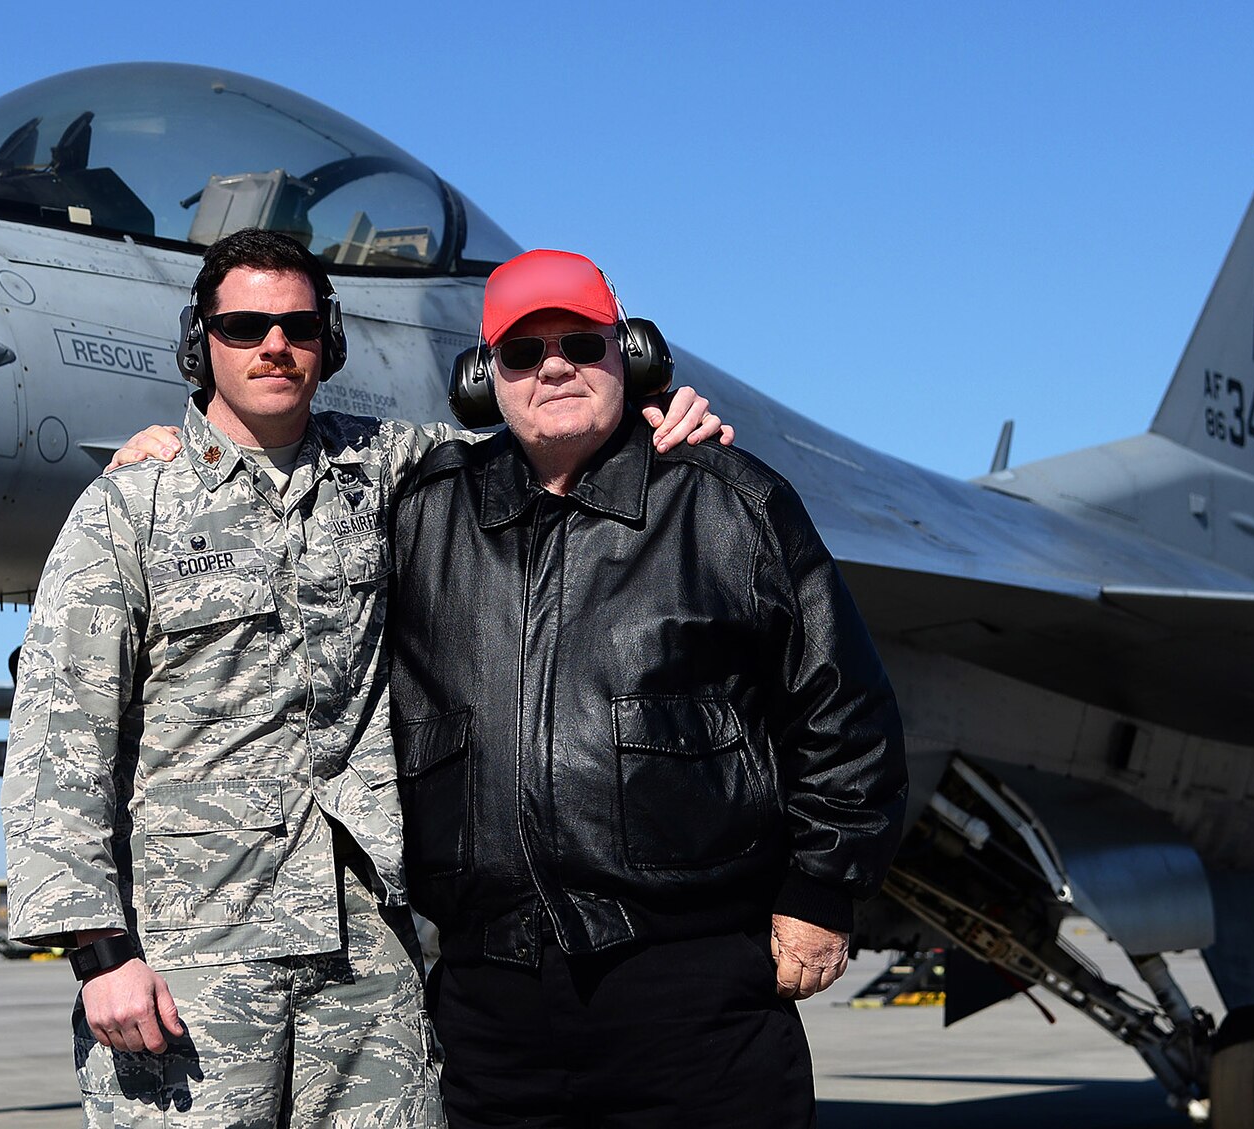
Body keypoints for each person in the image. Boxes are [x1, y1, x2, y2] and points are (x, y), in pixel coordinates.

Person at [3, 229, 729, 1129]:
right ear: (202, 344)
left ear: (328, 341)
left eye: (299, 327)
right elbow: (59, 737)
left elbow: (536, 440)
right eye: (244, 326)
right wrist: (98, 952)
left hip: (366, 951)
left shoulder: (390, 468)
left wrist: (652, 418)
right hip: (193, 956)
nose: (275, 346)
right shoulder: (129, 509)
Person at [387, 249, 909, 1128]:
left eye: (580, 343)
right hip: (490, 1010)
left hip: (693, 994)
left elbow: (843, 708)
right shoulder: (423, 513)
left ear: (627, 354)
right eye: (523, 352)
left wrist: (823, 889)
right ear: (484, 378)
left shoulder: (728, 504)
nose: (553, 365)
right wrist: (177, 443)